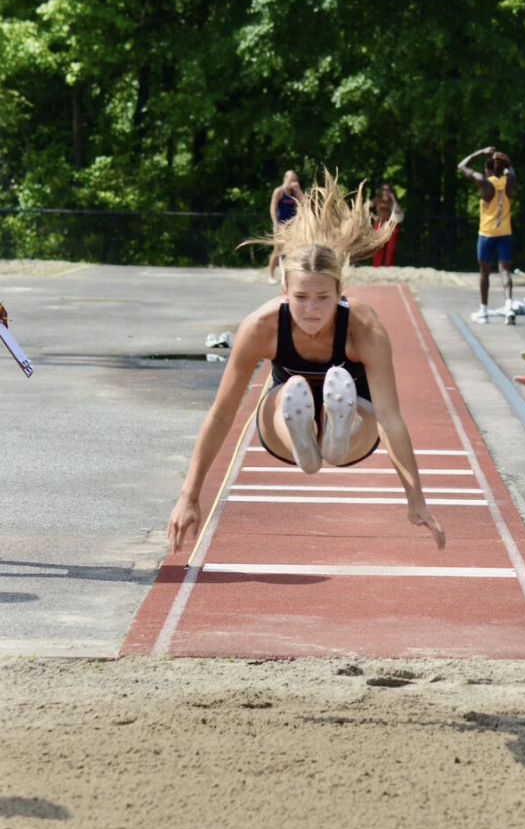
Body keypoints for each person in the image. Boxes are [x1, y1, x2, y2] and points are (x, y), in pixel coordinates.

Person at [168, 171, 445, 554]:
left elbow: (390, 417)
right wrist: (189, 495)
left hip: (355, 433)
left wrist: (415, 496)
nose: (311, 309)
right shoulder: (262, 327)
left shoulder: (363, 328)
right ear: (284, 291)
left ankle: (336, 432)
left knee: (361, 412)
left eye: (322, 298)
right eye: (300, 297)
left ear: (340, 293)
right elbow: (222, 413)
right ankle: (308, 436)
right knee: (285, 395)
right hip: (282, 429)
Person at [457, 146, 516, 325]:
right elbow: (510, 169)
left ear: (488, 169)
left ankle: (483, 310)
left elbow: (462, 166)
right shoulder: (509, 181)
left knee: (485, 271)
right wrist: (505, 161)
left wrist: (481, 152)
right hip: (504, 232)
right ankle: (509, 306)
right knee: (505, 270)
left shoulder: (485, 183)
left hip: (487, 233)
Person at [268, 170, 305, 284]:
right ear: (285, 179)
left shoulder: (295, 193)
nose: (293, 182)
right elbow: (273, 209)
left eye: (295, 180)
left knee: (293, 251)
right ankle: (271, 275)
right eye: (291, 180)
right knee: (278, 250)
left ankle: (289, 276)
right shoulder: (279, 191)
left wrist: (298, 190)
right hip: (281, 225)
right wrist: (275, 224)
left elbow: (304, 204)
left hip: (293, 226)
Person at [370, 183, 403, 267]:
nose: (386, 192)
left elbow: (399, 211)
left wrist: (393, 198)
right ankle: (377, 265)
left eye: (388, 190)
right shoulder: (377, 200)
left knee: (391, 247)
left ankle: (389, 266)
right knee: (379, 246)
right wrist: (373, 216)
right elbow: (367, 207)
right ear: (382, 191)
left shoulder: (393, 201)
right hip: (380, 224)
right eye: (384, 189)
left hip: (391, 225)